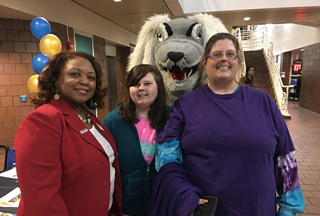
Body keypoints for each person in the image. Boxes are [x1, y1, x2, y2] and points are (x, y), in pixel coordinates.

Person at [148, 33, 305, 216]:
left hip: (258, 208)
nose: (224, 58)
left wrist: (288, 209)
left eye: (231, 54)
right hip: (205, 210)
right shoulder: (185, 105)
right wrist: (184, 194)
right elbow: (166, 158)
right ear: (204, 62)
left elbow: (285, 159)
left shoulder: (263, 102)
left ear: (238, 61)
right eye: (216, 54)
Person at [14, 51, 122, 216]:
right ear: (56, 80)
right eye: (75, 74)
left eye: (91, 78)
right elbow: (41, 198)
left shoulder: (89, 117)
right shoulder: (44, 119)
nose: (84, 81)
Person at [102, 64, 170, 216]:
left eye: (147, 83)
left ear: (158, 86)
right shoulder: (113, 121)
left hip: (163, 204)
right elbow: (104, 165)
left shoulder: (171, 118)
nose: (141, 88)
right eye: (135, 84)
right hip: (127, 206)